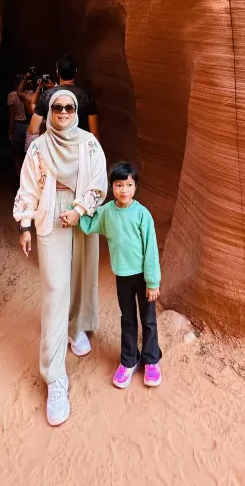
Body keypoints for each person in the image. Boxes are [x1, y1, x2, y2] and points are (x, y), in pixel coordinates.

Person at [14, 89, 107, 426]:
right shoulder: (39, 147)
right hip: (50, 213)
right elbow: (28, 187)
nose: (64, 112)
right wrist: (24, 225)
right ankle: (55, 377)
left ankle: (75, 326)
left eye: (69, 107)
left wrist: (80, 210)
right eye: (57, 107)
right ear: (50, 111)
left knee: (81, 274)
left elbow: (98, 182)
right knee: (55, 288)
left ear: (76, 110)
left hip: (82, 215)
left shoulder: (88, 144)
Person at [68, 162, 162, 389]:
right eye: (119, 185)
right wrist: (75, 211)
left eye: (129, 185)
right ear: (112, 187)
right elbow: (89, 224)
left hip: (143, 277)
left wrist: (153, 282)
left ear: (136, 186)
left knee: (148, 319)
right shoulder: (107, 212)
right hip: (122, 276)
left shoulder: (142, 214)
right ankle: (129, 360)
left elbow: (151, 250)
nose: (124, 190)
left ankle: (151, 360)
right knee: (127, 319)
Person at [28, 55, 98, 140]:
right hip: (78, 148)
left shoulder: (47, 95)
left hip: (54, 148)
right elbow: (94, 132)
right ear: (76, 72)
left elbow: (33, 130)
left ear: (57, 72)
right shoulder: (87, 96)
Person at [7, 77, 27, 178]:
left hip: (18, 125)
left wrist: (10, 130)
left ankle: (19, 180)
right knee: (26, 154)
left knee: (17, 155)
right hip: (28, 125)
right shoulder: (29, 94)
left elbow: (12, 114)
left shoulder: (12, 95)